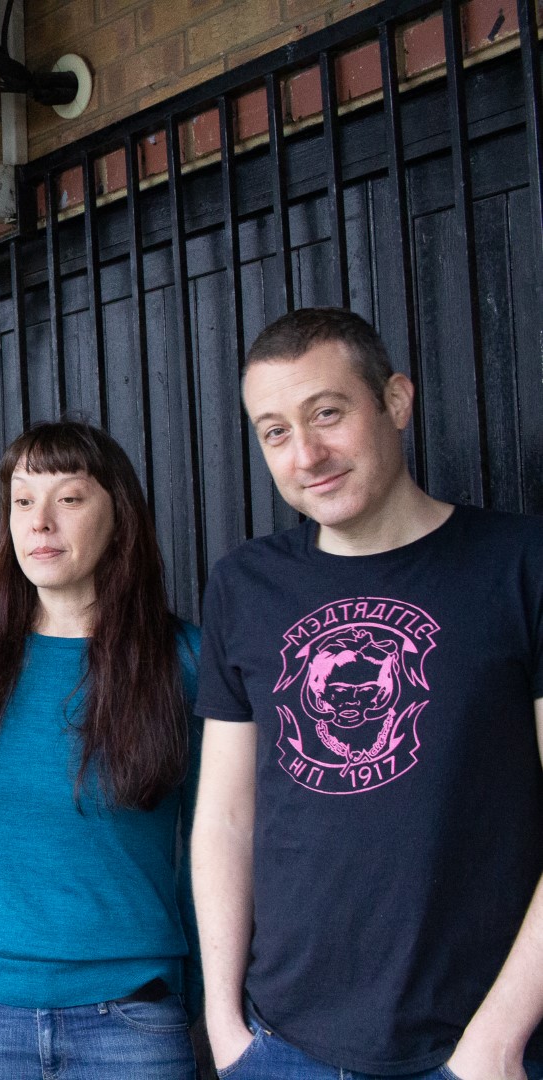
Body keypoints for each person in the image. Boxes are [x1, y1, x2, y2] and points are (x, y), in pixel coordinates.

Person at [192, 307, 543, 1079]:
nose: (306, 454)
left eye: (327, 413)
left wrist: (499, 1041)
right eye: (275, 431)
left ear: (396, 401)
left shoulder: (522, 565)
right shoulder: (245, 586)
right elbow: (225, 816)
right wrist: (224, 1024)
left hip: (478, 1052)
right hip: (280, 1048)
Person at [0, 420, 201, 1080]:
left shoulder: (183, 659)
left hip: (132, 1017)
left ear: (119, 514)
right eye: (23, 501)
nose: (40, 522)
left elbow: (212, 841)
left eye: (69, 498)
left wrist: (197, 999)